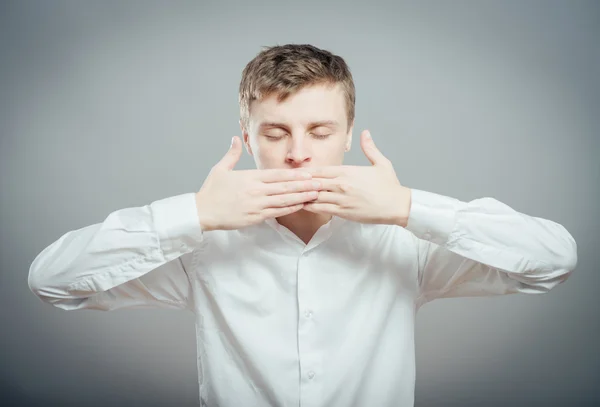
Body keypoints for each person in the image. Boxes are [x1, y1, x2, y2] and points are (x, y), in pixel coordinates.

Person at [28, 44, 578, 407]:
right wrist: (193, 214)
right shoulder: (204, 245)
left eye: (319, 130)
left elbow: (553, 261)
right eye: (275, 133)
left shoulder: (403, 240)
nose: (297, 154)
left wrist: (409, 206)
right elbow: (52, 280)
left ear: (348, 134)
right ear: (246, 140)